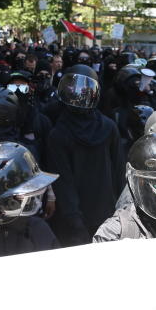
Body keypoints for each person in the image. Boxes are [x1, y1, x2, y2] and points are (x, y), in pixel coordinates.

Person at [46, 64, 123, 246]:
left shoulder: (108, 127)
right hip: (75, 218)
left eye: (85, 89)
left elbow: (118, 170)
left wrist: (122, 210)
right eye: (73, 88)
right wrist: (75, 221)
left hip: (106, 213)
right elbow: (63, 182)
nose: (79, 95)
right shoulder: (58, 134)